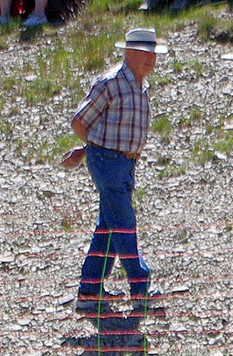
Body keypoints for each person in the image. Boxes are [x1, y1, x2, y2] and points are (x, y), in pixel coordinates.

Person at [62, 27, 166, 316]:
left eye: (153, 55)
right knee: (124, 225)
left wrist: (89, 151)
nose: (150, 60)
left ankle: (89, 290)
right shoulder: (109, 83)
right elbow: (80, 121)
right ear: (129, 53)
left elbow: (106, 129)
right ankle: (140, 287)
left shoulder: (140, 85)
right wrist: (96, 152)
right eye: (145, 54)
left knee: (109, 227)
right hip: (110, 164)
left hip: (125, 163)